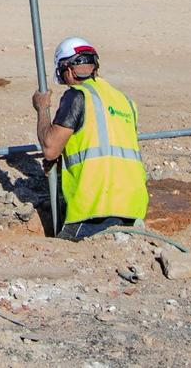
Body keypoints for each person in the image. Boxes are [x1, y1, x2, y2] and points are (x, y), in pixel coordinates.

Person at [32, 36, 148, 240]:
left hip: (95, 209)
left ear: (67, 70)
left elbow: (50, 148)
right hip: (132, 208)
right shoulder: (125, 101)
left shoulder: (77, 96)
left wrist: (42, 108)